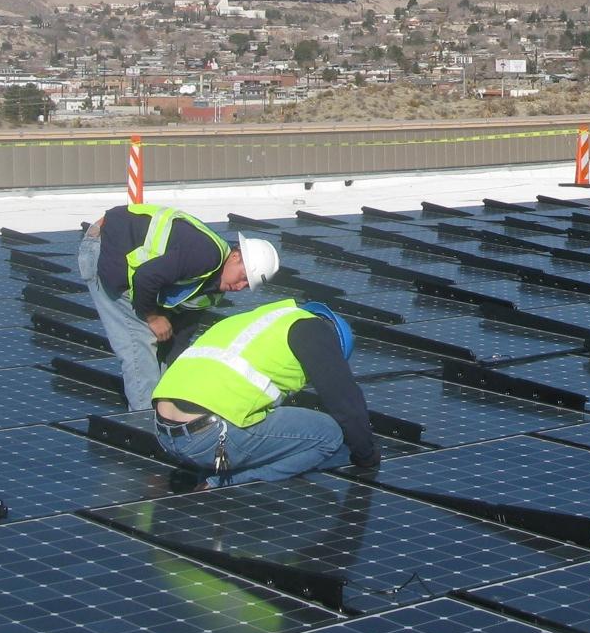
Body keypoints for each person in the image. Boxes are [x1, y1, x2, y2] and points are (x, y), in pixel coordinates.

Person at [150, 299, 380, 485]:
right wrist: (366, 457)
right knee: (329, 434)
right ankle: (226, 483)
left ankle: (210, 468)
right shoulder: (316, 331)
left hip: (163, 434)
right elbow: (347, 404)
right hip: (207, 439)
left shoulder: (252, 322)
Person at [76, 203, 282, 408]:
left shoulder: (211, 293)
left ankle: (165, 412)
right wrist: (153, 318)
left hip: (127, 265)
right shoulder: (207, 254)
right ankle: (145, 423)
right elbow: (144, 279)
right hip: (105, 246)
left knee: (164, 347)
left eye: (247, 286)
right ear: (236, 256)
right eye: (243, 277)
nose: (240, 287)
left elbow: (178, 339)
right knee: (140, 342)